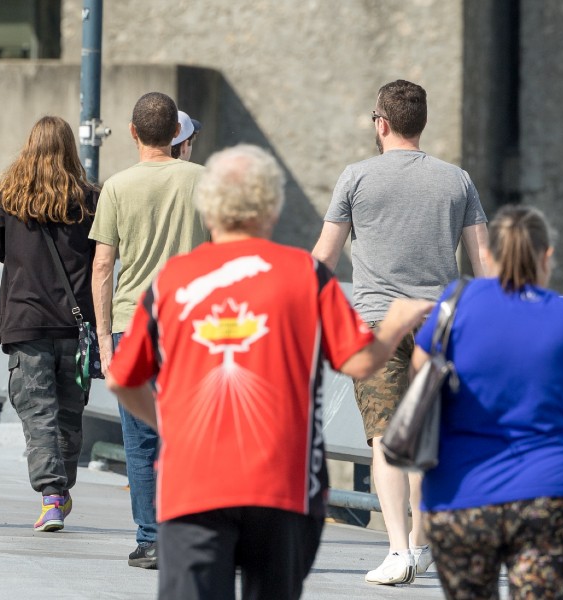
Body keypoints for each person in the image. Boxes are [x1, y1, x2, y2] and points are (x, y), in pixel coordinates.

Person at [108, 145, 434, 600]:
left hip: (192, 486)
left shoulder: (172, 282)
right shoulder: (305, 275)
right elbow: (359, 362)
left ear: (208, 206)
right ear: (272, 207)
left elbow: (122, 378)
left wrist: (168, 421)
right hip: (283, 485)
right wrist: (396, 323)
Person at [310, 79, 493, 586]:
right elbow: (486, 267)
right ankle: (421, 543)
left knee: (387, 441)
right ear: (422, 123)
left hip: (376, 326)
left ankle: (398, 552)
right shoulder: (458, 181)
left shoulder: (356, 177)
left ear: (381, 123)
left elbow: (323, 259)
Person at [417, 205, 563, 600]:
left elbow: (419, 371)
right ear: (546, 256)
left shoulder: (455, 302)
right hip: (548, 494)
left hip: (461, 495)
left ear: (489, 255)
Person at [89, 92, 207, 565]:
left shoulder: (116, 187)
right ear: (176, 135)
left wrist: (102, 339)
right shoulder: (205, 181)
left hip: (132, 326)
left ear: (134, 133)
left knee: (141, 439)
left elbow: (102, 267)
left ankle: (152, 537)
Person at [0, 116, 98, 533]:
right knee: (69, 413)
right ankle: (60, 489)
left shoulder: (9, 197)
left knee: (38, 413)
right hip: (76, 325)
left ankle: (52, 497)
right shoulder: (90, 199)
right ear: (71, 149)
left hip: (26, 320)